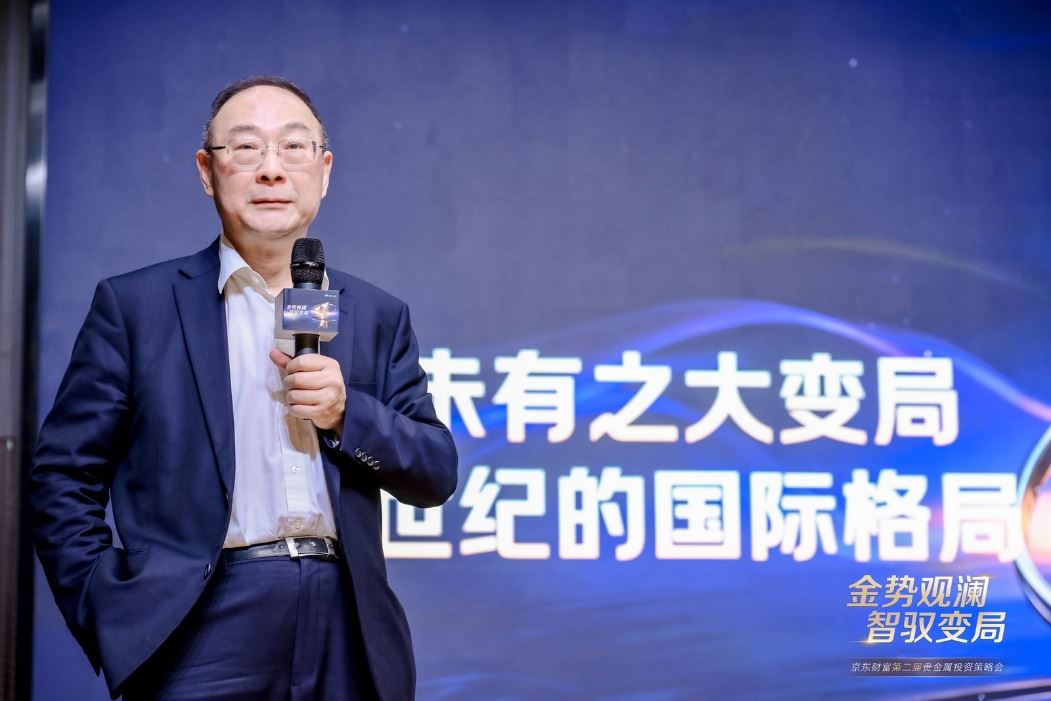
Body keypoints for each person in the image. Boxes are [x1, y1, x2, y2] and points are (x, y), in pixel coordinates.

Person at [29, 75, 458, 701]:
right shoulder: (136, 307)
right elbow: (63, 476)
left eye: (294, 148)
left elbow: (435, 472)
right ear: (207, 171)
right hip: (199, 621)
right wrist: (111, 608)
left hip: (346, 621)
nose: (271, 170)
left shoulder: (375, 314)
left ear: (324, 171)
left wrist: (348, 414)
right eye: (247, 148)